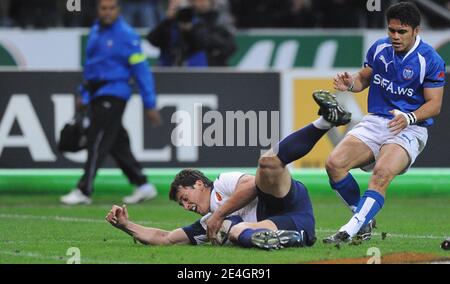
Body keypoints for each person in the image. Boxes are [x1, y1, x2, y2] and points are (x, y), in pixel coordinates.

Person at [105, 90, 352, 249]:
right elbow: (164, 238)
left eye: (185, 198)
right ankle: (290, 240)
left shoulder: (222, 184)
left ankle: (325, 121)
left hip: (287, 201)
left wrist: (219, 214)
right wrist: (126, 225)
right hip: (293, 226)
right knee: (236, 233)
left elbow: (251, 186)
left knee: (267, 162)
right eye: (181, 205)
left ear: (199, 184)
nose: (186, 206)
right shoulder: (209, 221)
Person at [322, 2, 446, 244]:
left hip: (410, 127)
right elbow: (363, 80)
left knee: (381, 173)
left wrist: (409, 117)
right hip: (376, 120)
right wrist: (350, 83)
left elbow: (435, 105)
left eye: (402, 32)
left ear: (416, 31)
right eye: (392, 31)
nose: (395, 37)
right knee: (334, 164)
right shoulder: (379, 48)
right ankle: (364, 221)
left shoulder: (430, 59)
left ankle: (350, 229)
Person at [60, 0, 162, 205]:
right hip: (97, 93)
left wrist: (149, 103)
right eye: (103, 8)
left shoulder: (126, 36)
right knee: (117, 142)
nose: (107, 12)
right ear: (98, 10)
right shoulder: (96, 31)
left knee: (96, 139)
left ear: (119, 10)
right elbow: (91, 68)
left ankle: (84, 190)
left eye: (111, 8)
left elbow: (141, 70)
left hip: (115, 93)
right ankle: (143, 185)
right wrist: (84, 94)